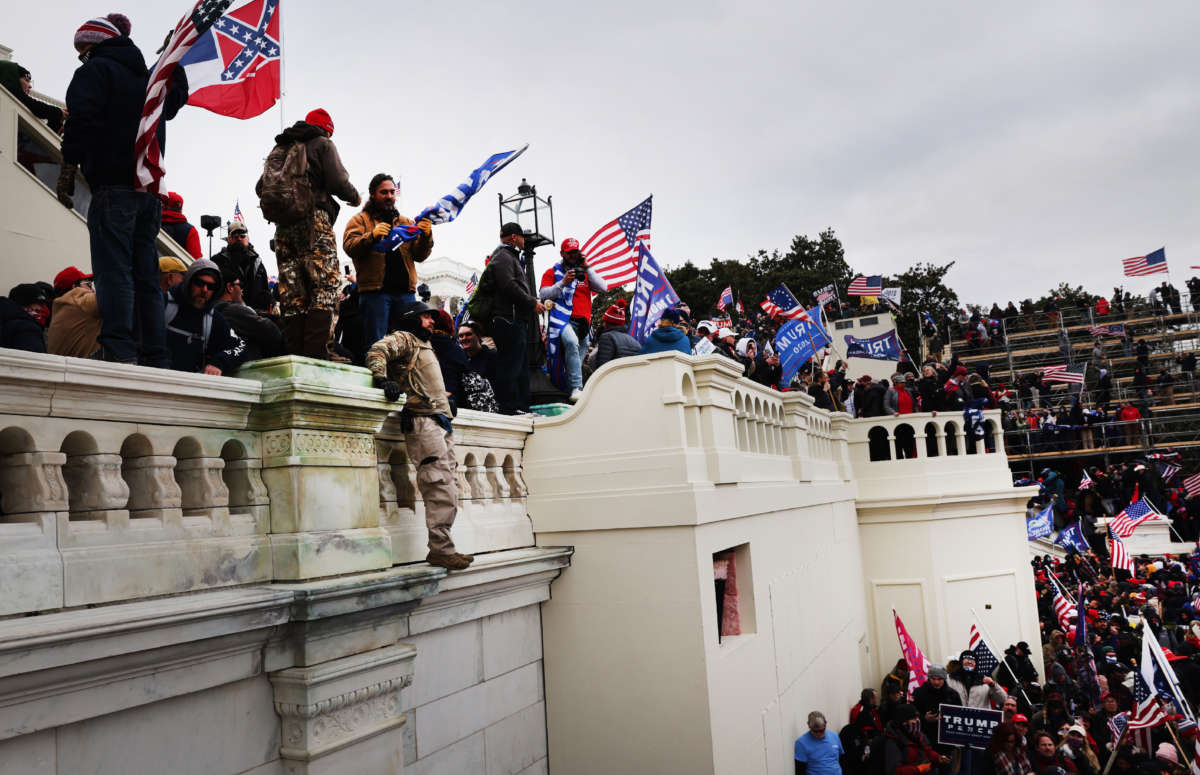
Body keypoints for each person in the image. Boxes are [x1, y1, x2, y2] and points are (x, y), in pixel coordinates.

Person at [60, 13, 189, 366]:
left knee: (113, 270)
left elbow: (80, 120)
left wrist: (69, 161)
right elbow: (175, 101)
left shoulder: (94, 73)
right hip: (147, 194)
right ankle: (154, 352)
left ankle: (119, 346)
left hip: (112, 187)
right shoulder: (149, 79)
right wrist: (172, 61)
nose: (80, 55)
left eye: (83, 47)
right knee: (146, 275)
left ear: (97, 44)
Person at [366, 301, 475, 571]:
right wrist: (382, 379)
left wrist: (444, 404)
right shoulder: (405, 339)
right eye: (426, 317)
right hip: (423, 421)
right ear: (412, 319)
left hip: (438, 420)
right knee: (438, 483)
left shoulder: (425, 345)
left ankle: (444, 547)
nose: (431, 322)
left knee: (448, 485)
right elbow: (377, 352)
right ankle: (441, 550)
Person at [257, 108, 360, 360]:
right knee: (325, 284)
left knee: (293, 290)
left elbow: (260, 186)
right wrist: (354, 196)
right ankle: (318, 352)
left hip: (282, 227)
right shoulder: (322, 144)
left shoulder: (279, 149)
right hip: (314, 221)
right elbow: (337, 181)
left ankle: (296, 353)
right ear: (326, 129)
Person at [342, 173, 433, 347]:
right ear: (373, 194)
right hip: (375, 293)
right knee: (376, 344)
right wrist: (372, 237)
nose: (389, 196)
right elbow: (349, 247)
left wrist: (426, 236)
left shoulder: (406, 222)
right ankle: (378, 375)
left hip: (405, 293)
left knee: (406, 344)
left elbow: (420, 256)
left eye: (392, 192)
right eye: (384, 192)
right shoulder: (360, 220)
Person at [471, 223, 543, 414]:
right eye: (522, 237)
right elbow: (508, 286)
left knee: (518, 364)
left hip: (511, 318)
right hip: (506, 319)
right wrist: (531, 302)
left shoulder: (507, 256)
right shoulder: (503, 256)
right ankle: (509, 407)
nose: (524, 240)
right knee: (511, 364)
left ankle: (519, 406)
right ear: (513, 237)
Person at [540, 236, 608, 401]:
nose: (572, 256)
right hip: (562, 320)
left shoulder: (584, 274)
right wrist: (562, 282)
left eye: (575, 252)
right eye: (569, 253)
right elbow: (543, 294)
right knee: (571, 342)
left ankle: (569, 393)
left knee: (576, 360)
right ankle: (577, 387)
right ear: (562, 253)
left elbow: (604, 288)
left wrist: (587, 267)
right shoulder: (552, 272)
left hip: (584, 324)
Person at [163, 259, 247, 375]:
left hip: (188, 386)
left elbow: (240, 347)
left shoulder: (213, 320)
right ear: (189, 282)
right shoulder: (163, 304)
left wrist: (219, 362)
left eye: (211, 286)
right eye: (199, 283)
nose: (204, 290)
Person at [212, 271, 284, 363]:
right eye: (240, 285)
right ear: (230, 287)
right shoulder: (233, 310)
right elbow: (272, 331)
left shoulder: (213, 309)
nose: (242, 290)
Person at [212, 221, 272, 313]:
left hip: (258, 314)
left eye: (242, 235)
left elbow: (265, 289)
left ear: (248, 238)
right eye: (235, 236)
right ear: (229, 239)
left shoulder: (258, 262)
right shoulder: (218, 260)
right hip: (231, 313)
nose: (239, 239)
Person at [47, 266, 101, 358]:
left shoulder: (61, 309)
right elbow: (113, 297)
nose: (92, 290)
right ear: (74, 287)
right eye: (88, 285)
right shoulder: (78, 301)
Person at [881, 704, 946, 775]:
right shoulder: (893, 740)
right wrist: (918, 769)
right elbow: (894, 771)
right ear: (904, 722)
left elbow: (927, 750)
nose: (918, 720)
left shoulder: (917, 734)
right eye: (914, 718)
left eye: (918, 717)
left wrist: (938, 758)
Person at [0, 61, 65, 133]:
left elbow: (38, 136)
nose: (30, 86)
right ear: (12, 78)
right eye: (26, 80)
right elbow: (32, 104)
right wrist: (58, 112)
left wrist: (56, 121)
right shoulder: (13, 96)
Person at [0, 284, 49, 352]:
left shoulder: (5, 320)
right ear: (23, 304)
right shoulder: (27, 329)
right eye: (39, 304)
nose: (42, 309)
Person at [592, 302, 641, 370]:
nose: (603, 324)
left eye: (604, 321)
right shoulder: (633, 340)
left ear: (608, 323)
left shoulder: (607, 337)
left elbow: (602, 367)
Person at [795, 711, 843, 775]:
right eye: (815, 731)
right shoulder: (801, 743)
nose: (819, 734)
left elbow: (841, 758)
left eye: (821, 730)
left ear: (825, 724)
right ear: (809, 726)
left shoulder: (834, 736)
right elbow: (800, 770)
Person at [159, 191, 203, 259]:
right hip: (180, 269)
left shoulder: (149, 224)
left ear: (163, 205)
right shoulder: (191, 230)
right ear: (180, 209)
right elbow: (196, 260)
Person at [457, 322, 498, 388]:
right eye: (461, 336)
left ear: (478, 336)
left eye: (468, 334)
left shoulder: (493, 357)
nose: (464, 338)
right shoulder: (459, 358)